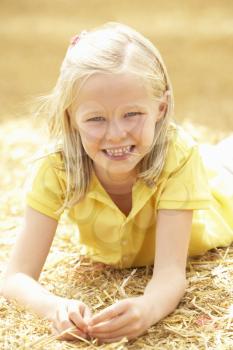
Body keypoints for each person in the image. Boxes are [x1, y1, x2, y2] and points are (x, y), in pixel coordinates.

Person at [1, 22, 232, 344]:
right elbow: (15, 277)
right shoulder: (56, 167)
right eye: (96, 119)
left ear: (160, 109)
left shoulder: (179, 157)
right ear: (70, 118)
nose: (116, 134)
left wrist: (148, 308)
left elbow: (169, 274)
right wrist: (54, 308)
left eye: (133, 113)